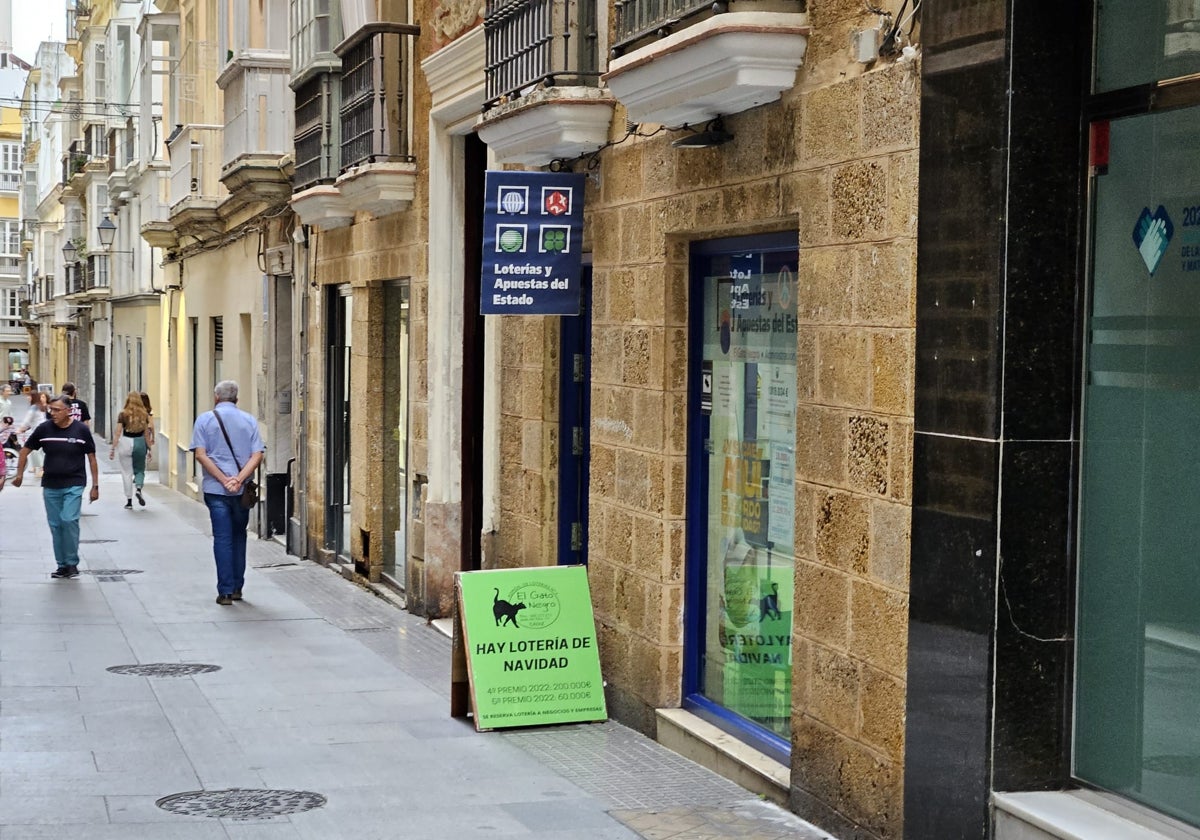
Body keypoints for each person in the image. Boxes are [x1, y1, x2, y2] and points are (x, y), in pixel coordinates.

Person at [190, 380, 264, 605]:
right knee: (239, 536)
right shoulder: (249, 420)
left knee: (222, 538)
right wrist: (239, 480)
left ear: (216, 398)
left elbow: (201, 455)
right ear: (236, 399)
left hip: (216, 490)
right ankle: (237, 587)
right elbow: (257, 454)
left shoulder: (204, 420)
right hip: (242, 492)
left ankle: (225, 591)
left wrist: (223, 480)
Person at [12, 394, 100, 578]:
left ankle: (72, 562)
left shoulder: (81, 431)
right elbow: (25, 451)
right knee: (56, 525)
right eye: (51, 409)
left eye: (57, 410)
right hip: (51, 485)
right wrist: (19, 474)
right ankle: (62, 565)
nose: (53, 413)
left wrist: (95, 486)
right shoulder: (44, 429)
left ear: (69, 411)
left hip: (74, 483)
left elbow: (92, 458)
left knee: (68, 520)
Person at [110, 391, 151, 509]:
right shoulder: (144, 414)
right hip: (139, 442)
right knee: (140, 469)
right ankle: (138, 488)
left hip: (126, 442)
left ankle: (129, 500)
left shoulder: (123, 414)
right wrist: (149, 448)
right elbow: (146, 434)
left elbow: (118, 433)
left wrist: (113, 448)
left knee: (126, 472)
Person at [16, 391, 49, 475]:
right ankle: (38, 468)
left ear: (33, 397)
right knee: (39, 451)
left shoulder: (34, 407)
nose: (27, 398)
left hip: (38, 432)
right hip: (43, 430)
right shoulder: (40, 406)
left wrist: (20, 429)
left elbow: (27, 420)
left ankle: (42, 469)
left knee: (34, 451)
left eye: (29, 396)